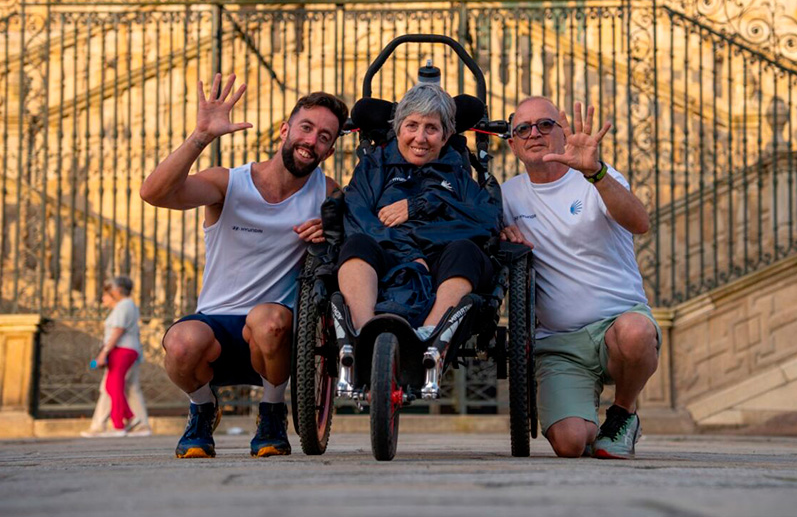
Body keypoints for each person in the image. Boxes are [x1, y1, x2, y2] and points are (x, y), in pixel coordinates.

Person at [140, 74, 347, 459]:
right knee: (180, 345)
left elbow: (354, 244)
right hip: (215, 324)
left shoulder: (328, 193)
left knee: (269, 321)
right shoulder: (229, 183)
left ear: (329, 150)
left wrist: (333, 229)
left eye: (324, 137)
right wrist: (200, 136)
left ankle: (271, 413)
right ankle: (202, 409)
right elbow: (154, 194)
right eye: (306, 128)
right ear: (285, 129)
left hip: (276, 334)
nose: (312, 141)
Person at [500, 97, 658, 459]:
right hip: (559, 344)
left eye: (545, 125)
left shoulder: (596, 177)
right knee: (571, 445)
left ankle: (622, 412)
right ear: (512, 144)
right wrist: (501, 235)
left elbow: (640, 223)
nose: (534, 134)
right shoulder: (507, 195)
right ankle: (584, 412)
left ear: (562, 130)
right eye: (523, 129)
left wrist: (596, 172)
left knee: (636, 333)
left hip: (617, 325)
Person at [337, 84, 502, 341]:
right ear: (398, 128)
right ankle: (362, 337)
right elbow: (357, 218)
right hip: (386, 257)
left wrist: (423, 204)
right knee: (357, 244)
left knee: (466, 251)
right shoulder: (375, 166)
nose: (420, 138)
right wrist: (409, 253)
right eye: (412, 125)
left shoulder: (457, 173)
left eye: (432, 128)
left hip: (441, 265)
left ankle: (429, 339)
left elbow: (486, 220)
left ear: (446, 136)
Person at [89, 275, 144, 436]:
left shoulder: (124, 305)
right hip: (125, 349)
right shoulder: (128, 305)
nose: (107, 294)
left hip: (122, 349)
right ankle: (131, 418)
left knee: (114, 386)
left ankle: (119, 425)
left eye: (110, 290)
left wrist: (103, 353)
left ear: (118, 290)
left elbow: (117, 330)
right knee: (111, 386)